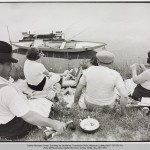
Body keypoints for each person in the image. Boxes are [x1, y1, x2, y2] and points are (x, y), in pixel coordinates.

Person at [0, 41, 66, 139]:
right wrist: (55, 124)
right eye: (9, 64)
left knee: (38, 102)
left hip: (2, 122)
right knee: (41, 105)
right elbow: (29, 116)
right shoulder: (6, 91)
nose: (11, 68)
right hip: (11, 128)